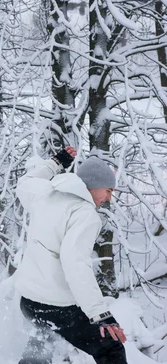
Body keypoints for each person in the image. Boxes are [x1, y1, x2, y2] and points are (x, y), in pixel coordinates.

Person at [14, 146, 127, 364]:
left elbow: (25, 182)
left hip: (29, 302)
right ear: (93, 186)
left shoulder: (45, 194)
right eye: (108, 191)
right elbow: (75, 263)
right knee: (111, 349)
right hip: (55, 306)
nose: (108, 198)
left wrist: (57, 161)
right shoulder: (84, 214)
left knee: (44, 342)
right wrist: (100, 315)